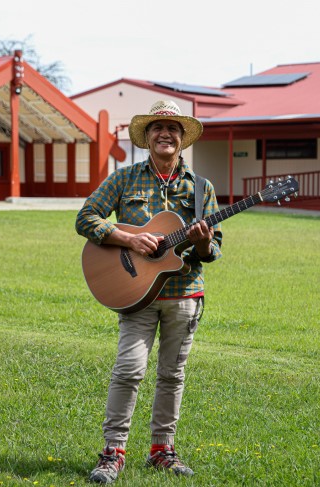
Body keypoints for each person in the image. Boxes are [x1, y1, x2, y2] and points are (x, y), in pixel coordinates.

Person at [75, 100, 222, 484]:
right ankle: (112, 453)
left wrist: (204, 243)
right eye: (158, 128)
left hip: (185, 293)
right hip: (134, 291)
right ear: (147, 137)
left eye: (173, 129)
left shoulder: (201, 189)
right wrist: (128, 238)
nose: (165, 134)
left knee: (172, 375)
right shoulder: (124, 179)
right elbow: (86, 218)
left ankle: (162, 451)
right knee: (128, 370)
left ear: (182, 138)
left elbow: (213, 251)